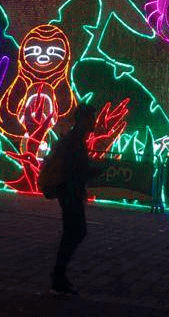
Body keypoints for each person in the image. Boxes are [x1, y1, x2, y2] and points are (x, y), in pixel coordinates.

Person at [49, 103, 104, 296]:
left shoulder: (76, 139)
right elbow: (76, 170)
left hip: (70, 193)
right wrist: (97, 170)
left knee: (74, 232)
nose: (94, 122)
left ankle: (58, 275)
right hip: (70, 193)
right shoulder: (74, 141)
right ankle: (58, 275)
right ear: (82, 120)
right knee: (76, 231)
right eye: (91, 118)